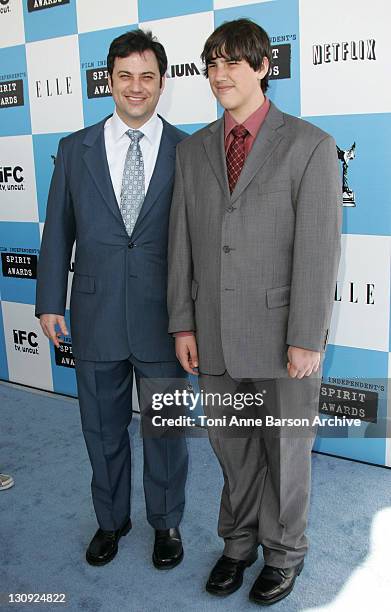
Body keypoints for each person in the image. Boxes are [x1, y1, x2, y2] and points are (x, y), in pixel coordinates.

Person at [168, 19, 341, 605]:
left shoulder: (310, 145)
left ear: (265, 65)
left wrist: (306, 336)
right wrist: (182, 323)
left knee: (287, 452)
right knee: (232, 449)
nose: (219, 75)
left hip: (281, 336)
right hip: (212, 333)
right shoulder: (192, 151)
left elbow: (318, 251)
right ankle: (237, 543)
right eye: (210, 64)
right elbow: (182, 245)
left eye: (232, 63)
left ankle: (285, 552)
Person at [36, 29, 188, 569]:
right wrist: (50, 299)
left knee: (166, 431)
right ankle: (111, 520)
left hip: (166, 319)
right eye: (125, 75)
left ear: (162, 82)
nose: (136, 87)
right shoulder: (73, 148)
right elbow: (58, 229)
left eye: (147, 76)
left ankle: (166, 523)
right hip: (95, 312)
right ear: (109, 80)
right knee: (101, 426)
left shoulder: (186, 148)